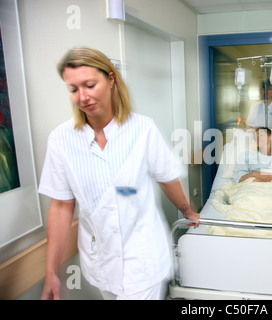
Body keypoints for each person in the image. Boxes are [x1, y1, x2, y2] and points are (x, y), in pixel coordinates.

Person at [38, 47, 199, 300]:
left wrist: (187, 210)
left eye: (90, 85)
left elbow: (166, 177)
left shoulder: (142, 129)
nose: (82, 97)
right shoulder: (61, 139)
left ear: (111, 79)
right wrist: (51, 272)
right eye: (73, 89)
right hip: (100, 260)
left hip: (142, 258)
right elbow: (60, 206)